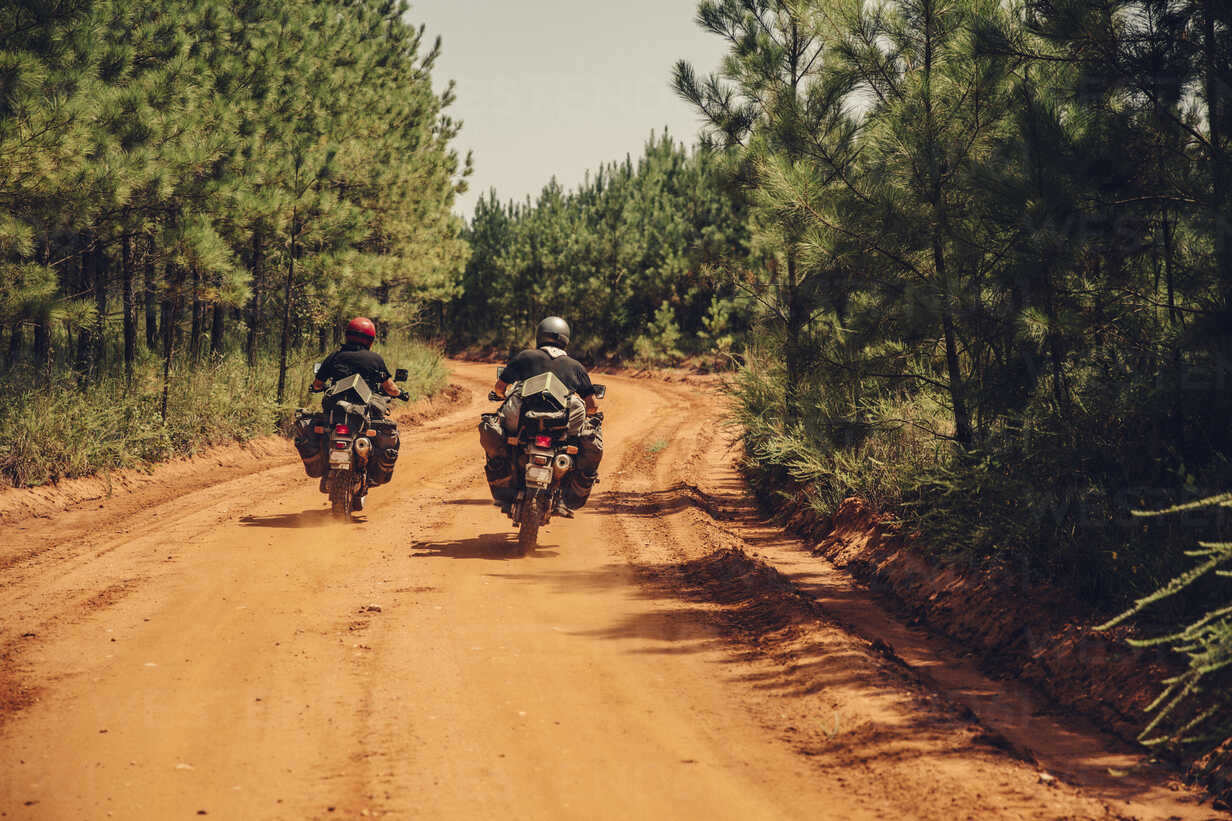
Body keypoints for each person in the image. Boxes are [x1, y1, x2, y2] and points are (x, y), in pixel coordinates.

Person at [479, 316, 603, 516]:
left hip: (523, 428)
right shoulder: (576, 366)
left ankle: (505, 484)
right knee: (579, 445)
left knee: (498, 434)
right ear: (566, 339)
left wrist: (502, 395)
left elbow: (500, 388)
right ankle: (563, 497)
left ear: (539, 336)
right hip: (560, 433)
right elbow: (593, 405)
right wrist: (589, 413)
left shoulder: (525, 357)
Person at [299, 317, 407, 511]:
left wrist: (316, 388)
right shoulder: (375, 359)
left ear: (347, 336)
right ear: (370, 339)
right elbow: (390, 388)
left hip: (336, 413)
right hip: (362, 414)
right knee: (388, 434)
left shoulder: (335, 356)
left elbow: (318, 384)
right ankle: (371, 474)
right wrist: (401, 393)